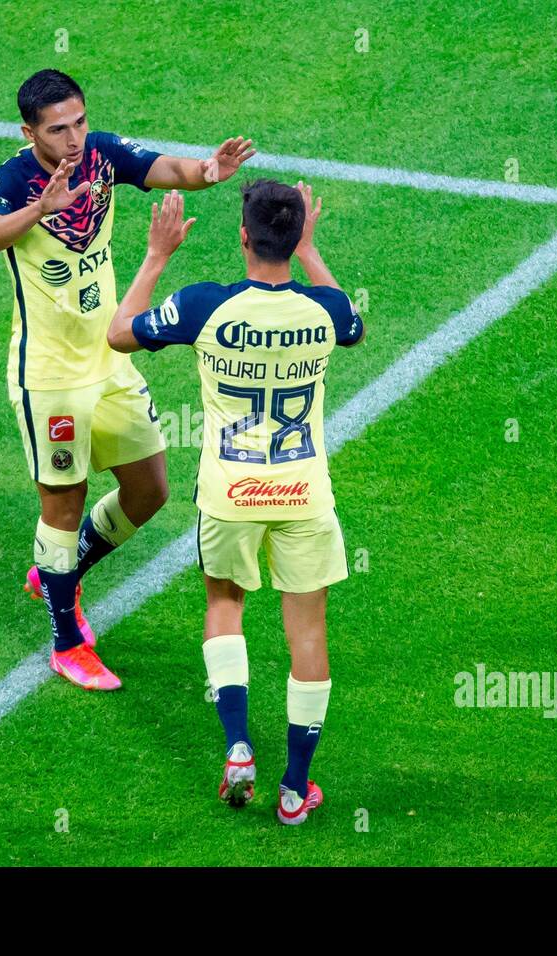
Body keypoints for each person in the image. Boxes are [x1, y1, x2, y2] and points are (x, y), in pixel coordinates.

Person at [0, 69, 255, 690]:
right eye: (58, 129)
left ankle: (58, 572)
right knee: (64, 502)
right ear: (30, 132)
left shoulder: (99, 152)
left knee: (150, 488)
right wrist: (38, 208)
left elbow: (165, 168)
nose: (73, 138)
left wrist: (209, 170)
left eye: (78, 121)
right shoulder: (12, 179)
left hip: (108, 356)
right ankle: (66, 640)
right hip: (49, 375)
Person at [107, 180, 365, 824]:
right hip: (304, 494)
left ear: (243, 237)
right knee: (307, 632)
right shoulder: (326, 312)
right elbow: (353, 324)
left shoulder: (204, 306)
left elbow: (118, 333)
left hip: (230, 494)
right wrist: (310, 248)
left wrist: (157, 256)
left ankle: (238, 746)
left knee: (225, 605)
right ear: (294, 231)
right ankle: (294, 790)